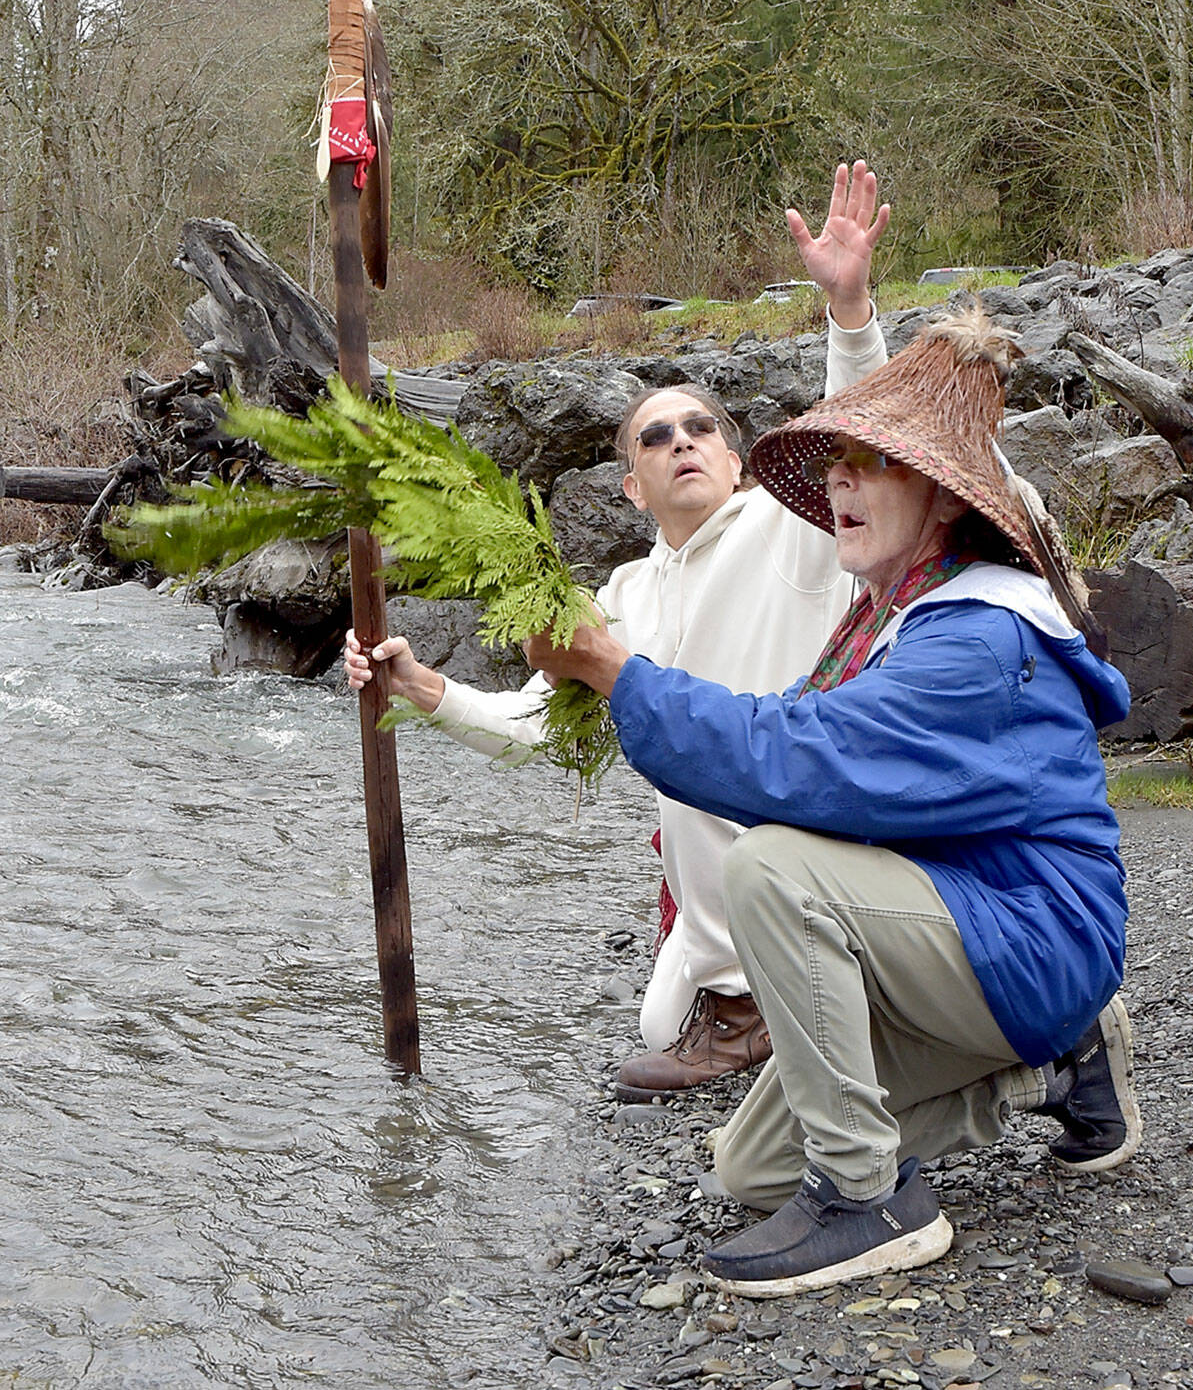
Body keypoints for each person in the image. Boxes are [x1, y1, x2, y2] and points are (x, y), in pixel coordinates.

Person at [525, 307, 1142, 1297]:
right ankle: (1051, 1067)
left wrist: (616, 670)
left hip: (1029, 932)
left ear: (941, 500)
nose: (840, 482)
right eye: (836, 465)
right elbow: (797, 731)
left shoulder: (974, 640)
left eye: (869, 463)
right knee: (751, 1167)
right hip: (954, 925)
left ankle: (869, 1204)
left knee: (770, 864)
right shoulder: (887, 614)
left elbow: (801, 756)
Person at [345, 162, 891, 1101]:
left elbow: (872, 443)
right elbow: (534, 729)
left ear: (732, 454)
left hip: (817, 843)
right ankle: (746, 999)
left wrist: (850, 310)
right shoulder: (626, 593)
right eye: (655, 435)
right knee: (647, 1026)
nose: (681, 438)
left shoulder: (794, 527)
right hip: (724, 892)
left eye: (700, 427)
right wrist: (420, 688)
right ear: (632, 488)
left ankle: (801, 997)